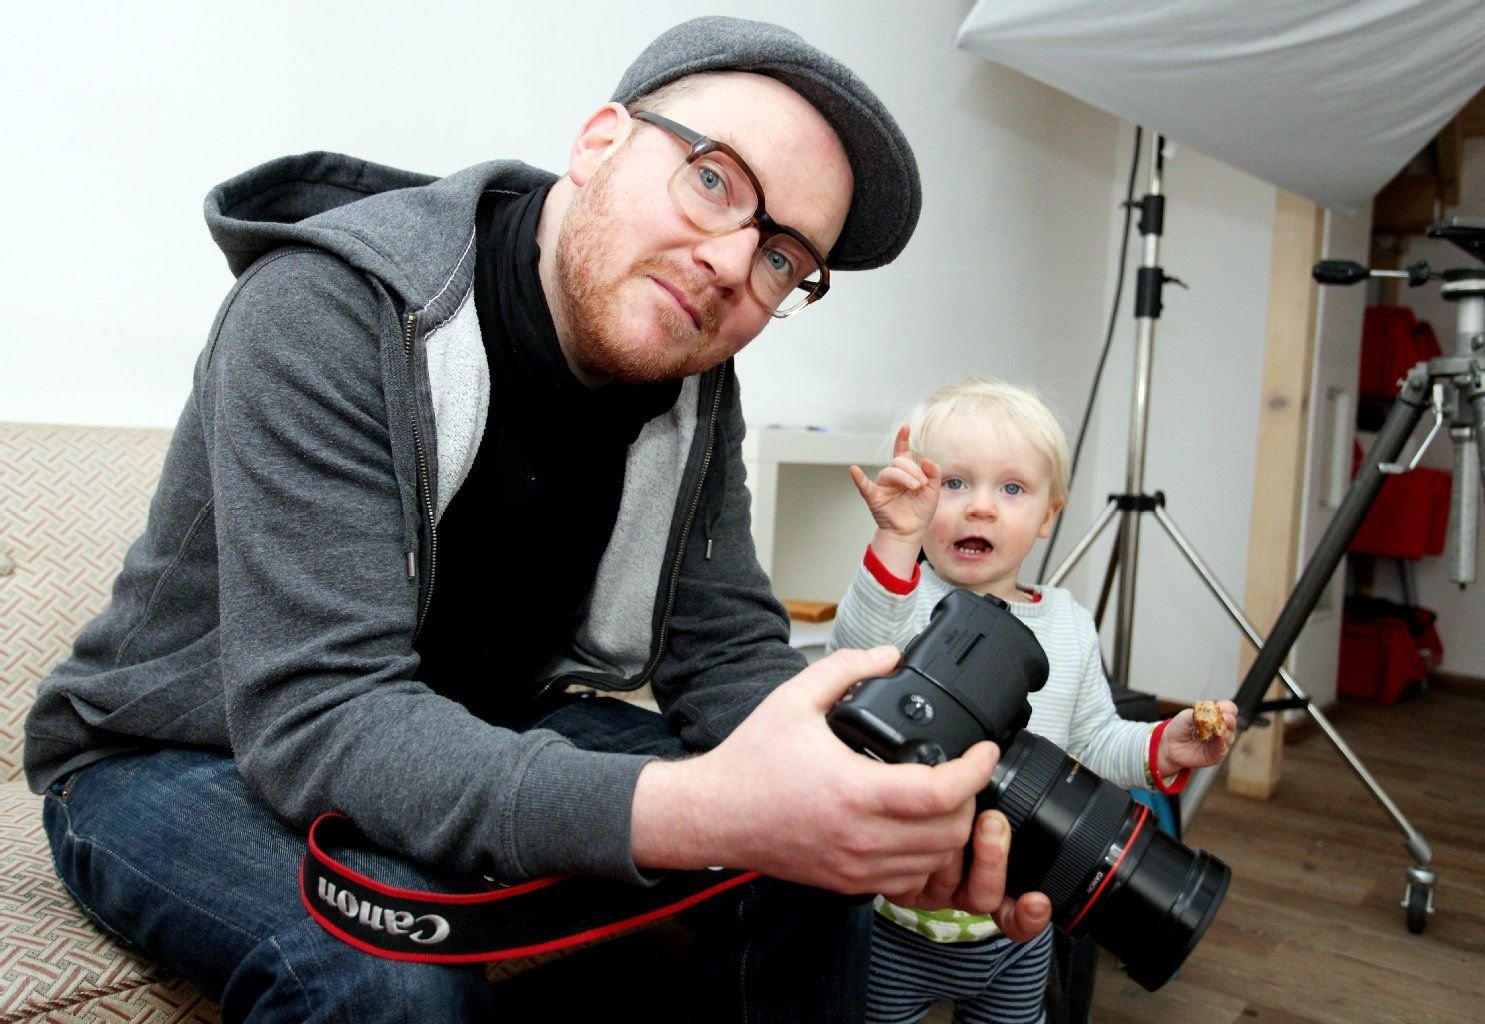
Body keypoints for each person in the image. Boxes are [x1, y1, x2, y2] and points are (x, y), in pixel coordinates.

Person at [24, 18, 1050, 1023]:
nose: (737, 264)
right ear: (600, 142)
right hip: (175, 756)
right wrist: (702, 807)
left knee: (804, 857)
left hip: (477, 715)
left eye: (784, 257)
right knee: (392, 962)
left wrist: (880, 801)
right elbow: (322, 716)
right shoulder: (327, 305)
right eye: (713, 179)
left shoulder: (694, 377)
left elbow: (727, 655)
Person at [829, 377, 1238, 1024]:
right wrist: (894, 541)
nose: (980, 508)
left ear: (1048, 515)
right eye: (954, 484)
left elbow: (1094, 741)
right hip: (891, 914)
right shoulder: (902, 602)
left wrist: (1165, 742)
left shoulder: (1068, 623)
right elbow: (853, 661)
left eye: (1012, 488)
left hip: (1019, 920)